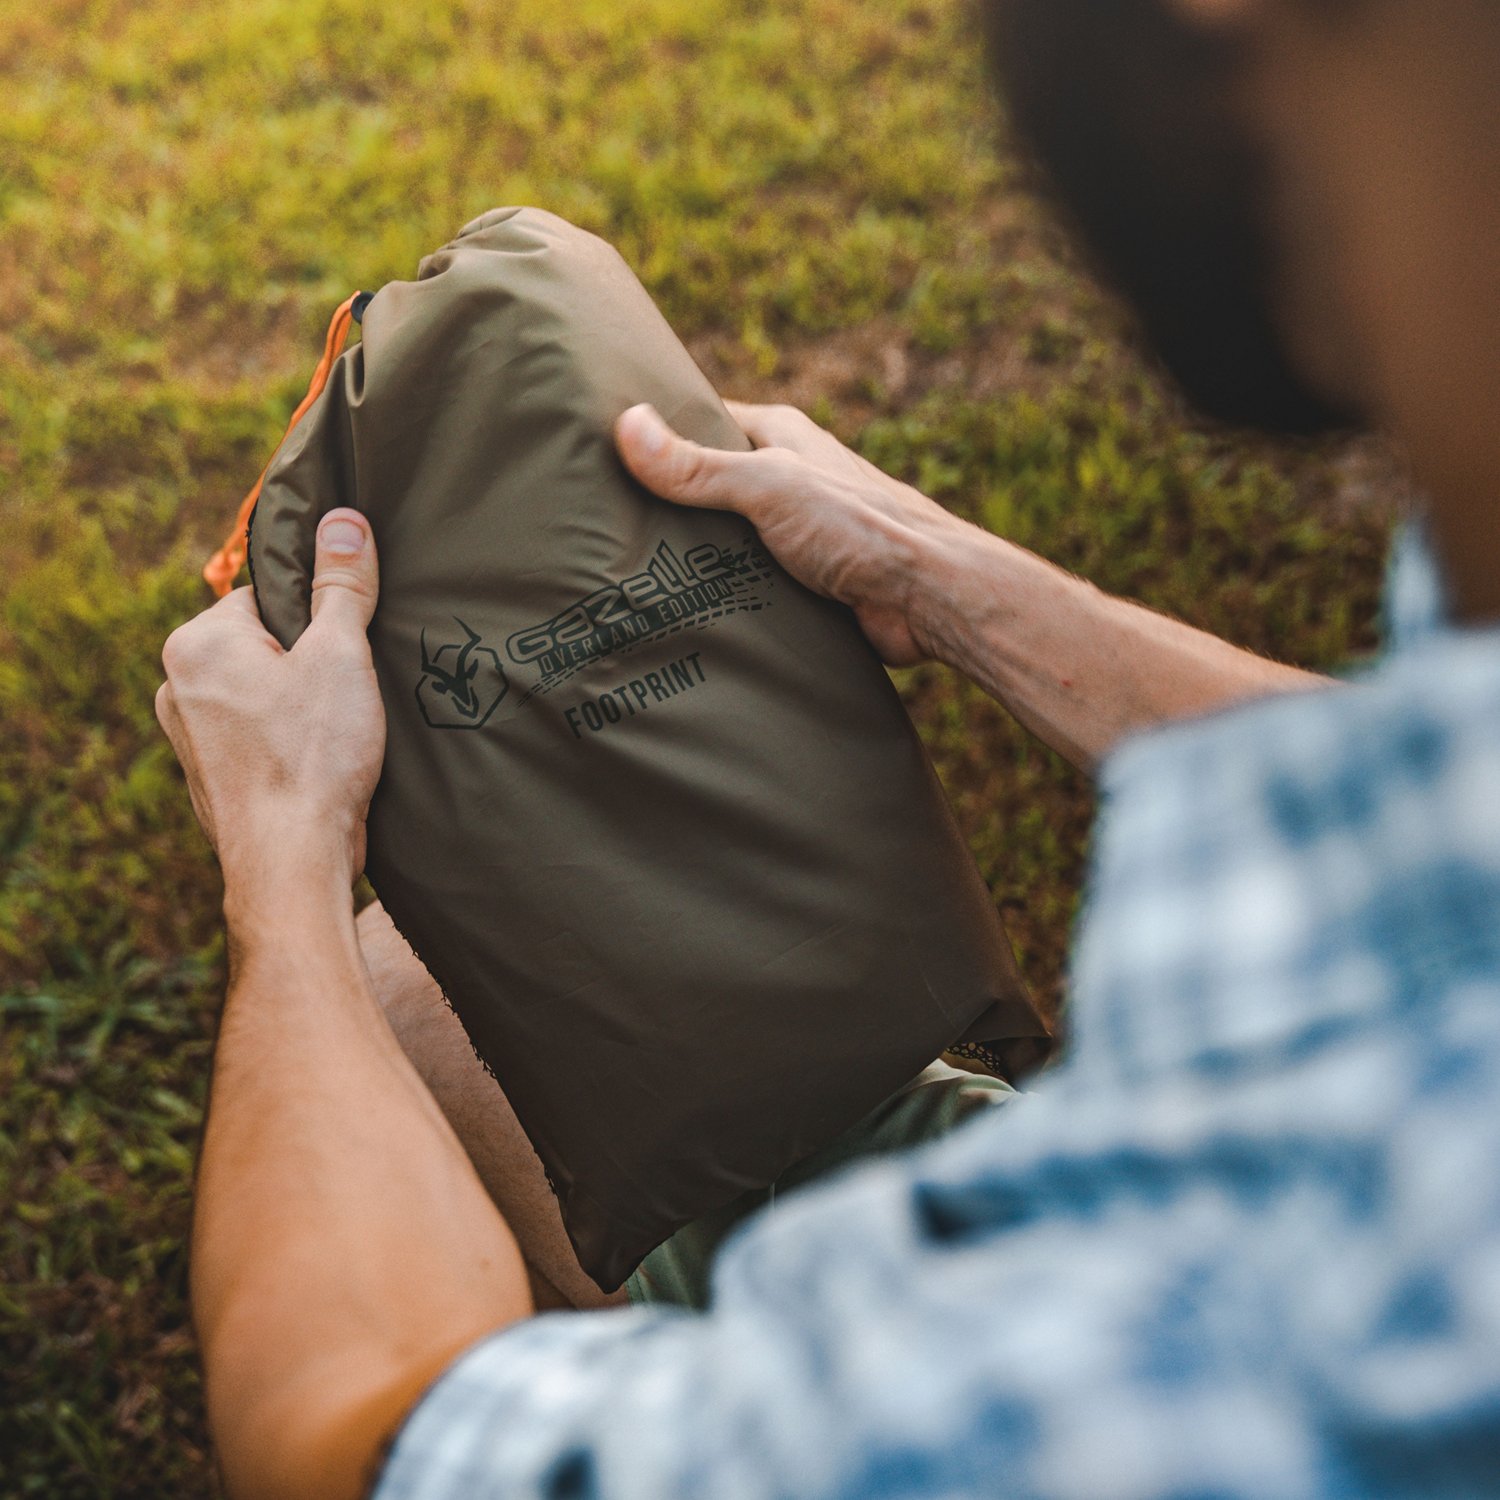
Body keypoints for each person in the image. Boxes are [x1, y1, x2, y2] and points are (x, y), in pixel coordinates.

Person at [153, 0, 1500, 1496]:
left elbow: (355, 1434)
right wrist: (958, 582)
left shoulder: (1117, 1388)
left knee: (395, 991)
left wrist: (281, 865)